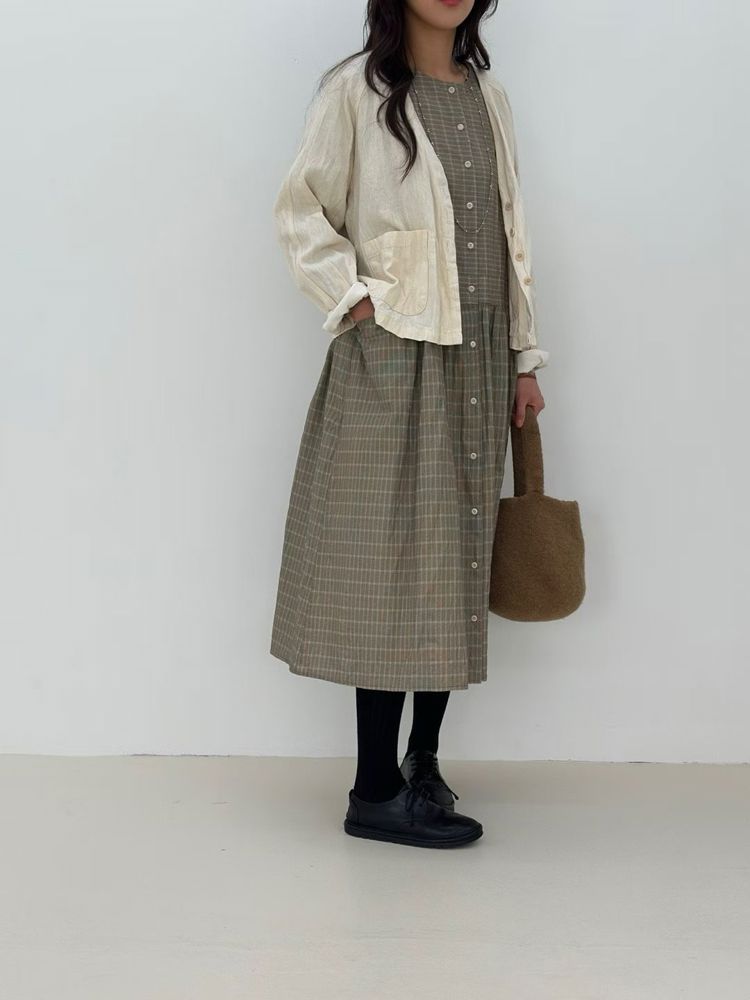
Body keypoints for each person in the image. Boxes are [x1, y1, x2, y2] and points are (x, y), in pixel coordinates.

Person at [270, 0, 548, 849]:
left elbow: (509, 235)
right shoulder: (356, 90)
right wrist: (355, 302)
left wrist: (525, 358)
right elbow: (300, 210)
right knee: (393, 564)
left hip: (480, 357)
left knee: (452, 565)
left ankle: (422, 766)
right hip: (396, 355)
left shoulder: (489, 96)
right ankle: (373, 788)